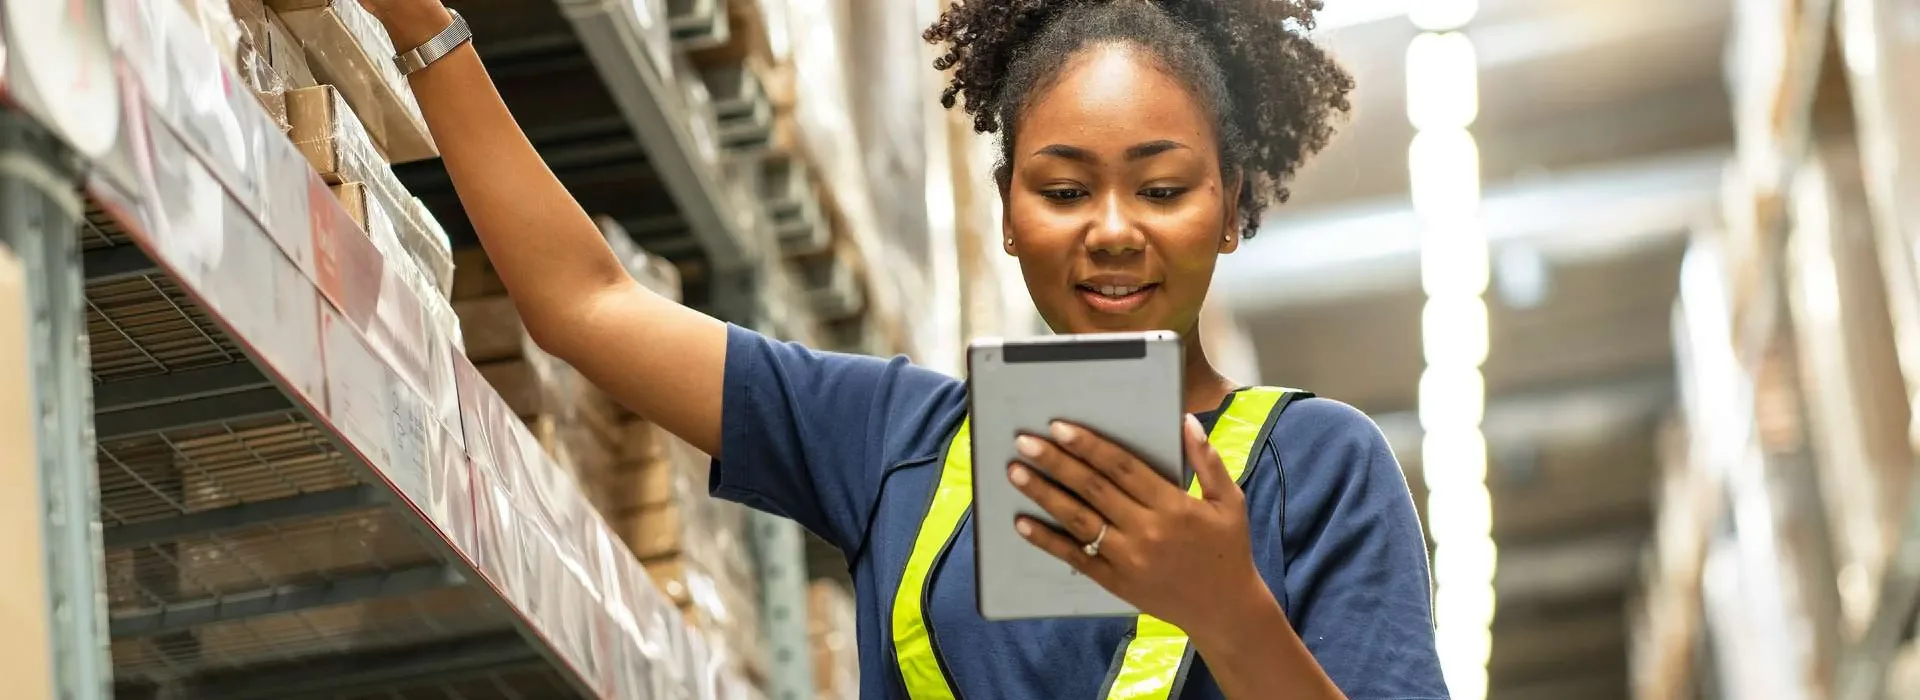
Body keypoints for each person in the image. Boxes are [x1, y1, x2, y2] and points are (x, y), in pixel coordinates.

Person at [366, 0, 1449, 697]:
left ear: (1231, 208)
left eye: (1161, 188)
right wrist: (427, 33)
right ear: (1012, 213)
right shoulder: (895, 440)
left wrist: (1230, 611)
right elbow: (585, 303)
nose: (1112, 228)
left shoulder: (1320, 470)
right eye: (1064, 188)